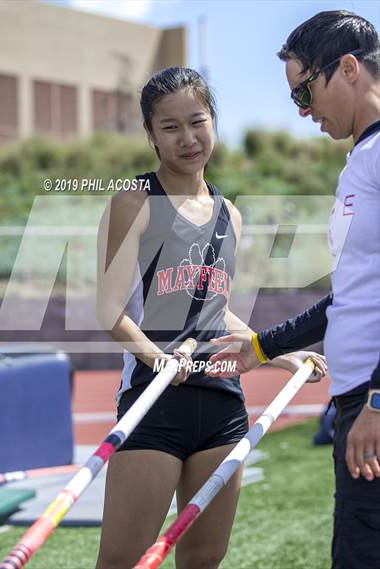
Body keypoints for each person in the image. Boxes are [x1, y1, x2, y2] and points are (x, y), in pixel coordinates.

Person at [96, 67, 326, 568]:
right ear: (151, 135)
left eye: (197, 121)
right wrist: (158, 361)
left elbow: (217, 315)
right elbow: (110, 311)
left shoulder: (230, 215)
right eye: (170, 126)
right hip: (154, 405)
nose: (188, 138)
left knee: (203, 560)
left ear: (214, 122)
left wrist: (282, 354)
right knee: (121, 561)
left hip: (222, 407)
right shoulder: (133, 202)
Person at [207, 11, 380, 569]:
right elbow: (352, 298)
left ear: (348, 69)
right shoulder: (361, 160)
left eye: (304, 90)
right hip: (357, 400)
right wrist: (261, 348)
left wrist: (378, 400)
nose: (302, 110)